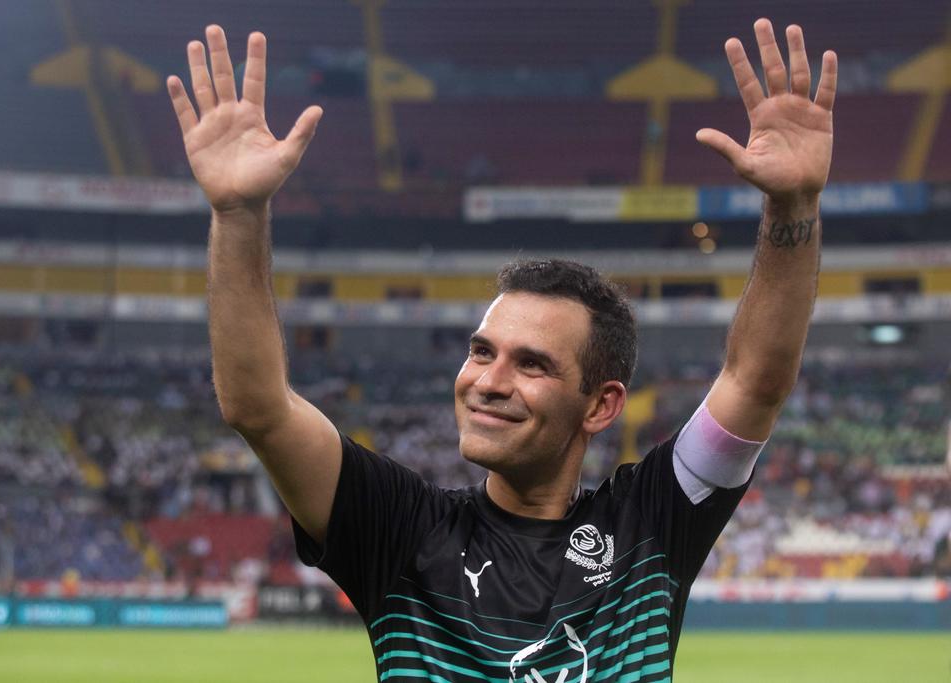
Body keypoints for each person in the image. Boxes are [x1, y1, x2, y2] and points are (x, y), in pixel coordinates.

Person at [167, 18, 837, 682]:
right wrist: (239, 215)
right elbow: (258, 406)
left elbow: (755, 380)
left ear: (602, 404)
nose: (488, 380)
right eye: (482, 351)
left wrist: (793, 206)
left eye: (532, 363)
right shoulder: (399, 529)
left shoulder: (653, 524)